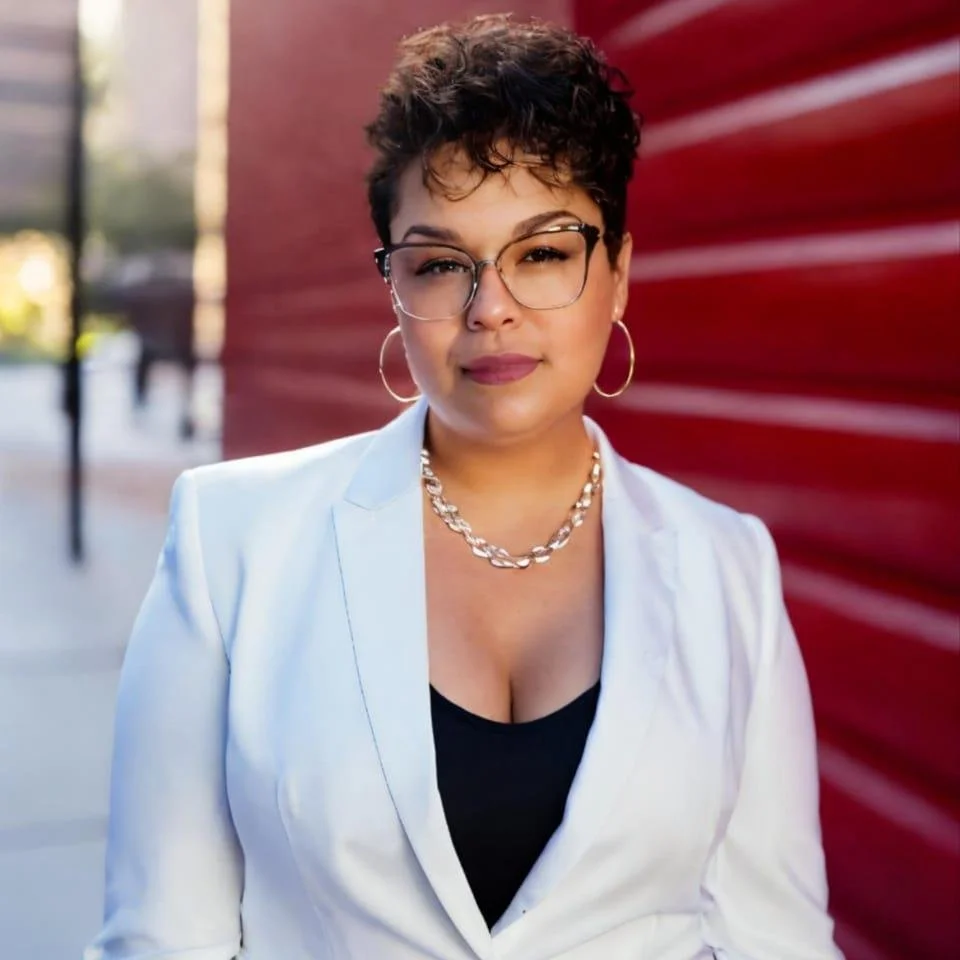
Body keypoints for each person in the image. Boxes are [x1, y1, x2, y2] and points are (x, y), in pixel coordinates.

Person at [86, 14, 844, 960]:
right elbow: (160, 939)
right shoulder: (229, 541)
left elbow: (777, 940)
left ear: (616, 274)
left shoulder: (730, 568)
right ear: (395, 286)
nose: (492, 309)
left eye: (543, 253)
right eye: (442, 265)